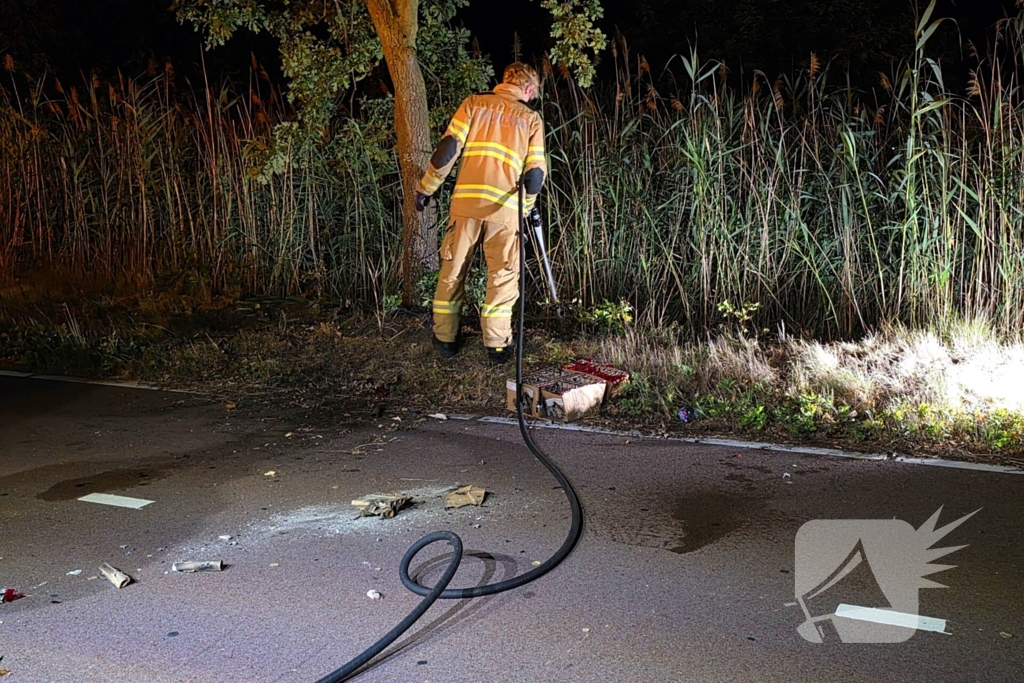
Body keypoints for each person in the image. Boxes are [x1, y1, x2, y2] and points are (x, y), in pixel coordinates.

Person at [415, 62, 547, 363]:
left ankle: (445, 339)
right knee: (502, 277)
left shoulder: (474, 104)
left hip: (465, 207)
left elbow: (447, 150)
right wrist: (524, 209)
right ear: (527, 89)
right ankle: (497, 345)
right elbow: (536, 174)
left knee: (452, 272)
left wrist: (426, 188)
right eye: (533, 93)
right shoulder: (531, 118)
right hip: (505, 212)